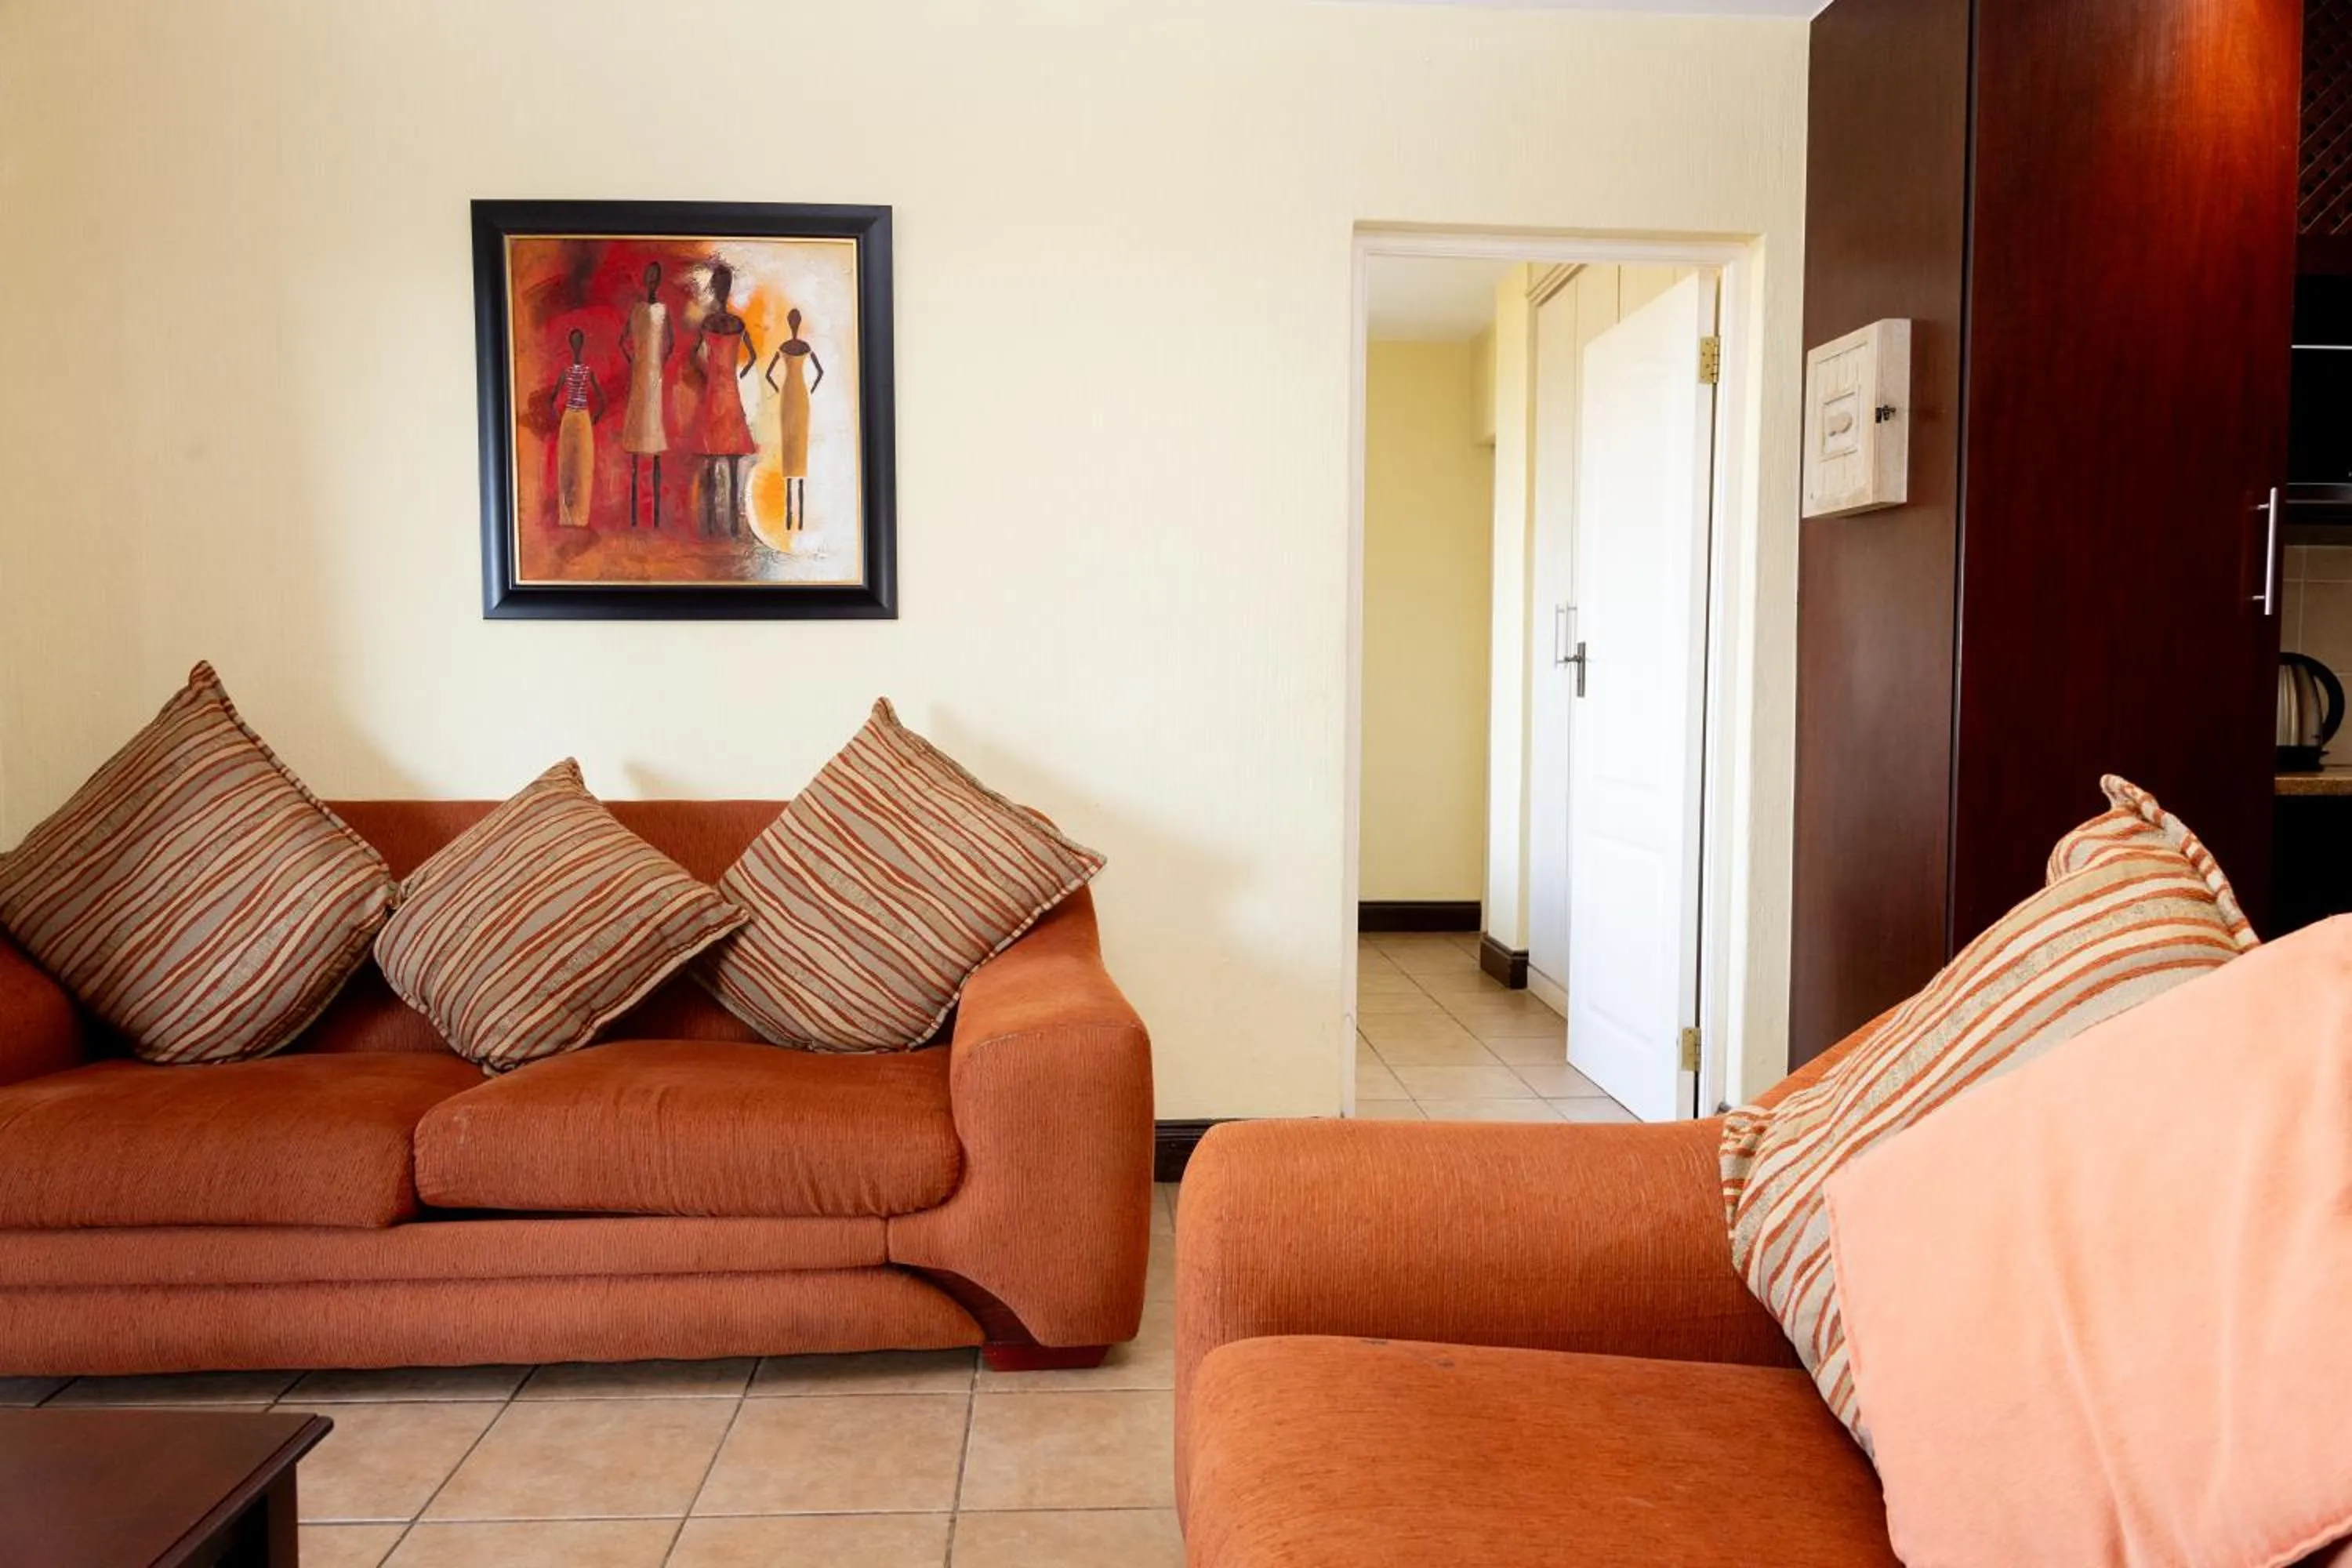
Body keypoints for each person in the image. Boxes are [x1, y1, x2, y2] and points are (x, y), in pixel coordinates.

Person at [692, 262, 759, 538]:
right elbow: (752, 356)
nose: (722, 290)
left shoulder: (708, 323)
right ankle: (729, 525)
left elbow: (694, 355)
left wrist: (709, 373)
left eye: (722, 286)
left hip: (716, 393)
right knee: (728, 462)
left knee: (712, 462)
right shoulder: (737, 323)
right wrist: (733, 372)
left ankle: (712, 526)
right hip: (728, 393)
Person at [617, 261, 673, 528]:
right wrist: (636, 360)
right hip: (641, 374)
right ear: (644, 279)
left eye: (655, 278)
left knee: (655, 437)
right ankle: (634, 516)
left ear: (659, 280)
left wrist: (658, 362)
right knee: (637, 444)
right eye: (648, 277)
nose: (651, 281)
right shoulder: (637, 310)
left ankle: (656, 517)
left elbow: (670, 342)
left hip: (654, 377)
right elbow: (622, 341)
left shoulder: (663, 311)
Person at [764, 307, 825, 535]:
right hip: (798, 395)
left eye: (794, 321)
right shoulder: (802, 348)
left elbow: (770, 375)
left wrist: (778, 388)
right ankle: (794, 518)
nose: (794, 324)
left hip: (790, 395)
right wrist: (811, 388)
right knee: (794, 451)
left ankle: (792, 516)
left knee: (795, 450)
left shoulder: (786, 348)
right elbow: (820, 373)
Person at [550, 327, 605, 529]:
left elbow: (602, 400)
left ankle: (580, 517)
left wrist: (593, 419)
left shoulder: (587, 372)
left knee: (582, 468)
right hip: (574, 419)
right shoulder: (567, 372)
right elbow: (552, 400)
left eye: (578, 342)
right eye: (574, 342)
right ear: (571, 345)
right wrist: (561, 419)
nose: (576, 346)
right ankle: (567, 516)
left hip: (580, 418)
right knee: (567, 468)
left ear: (581, 344)